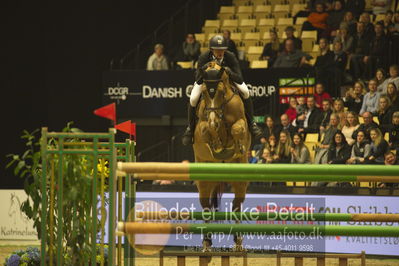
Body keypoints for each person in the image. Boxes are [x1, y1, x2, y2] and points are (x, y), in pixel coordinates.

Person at [182, 35, 263, 145]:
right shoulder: (204, 57)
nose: (220, 53)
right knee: (193, 99)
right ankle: (190, 129)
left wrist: (228, 71)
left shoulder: (230, 56)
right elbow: (198, 77)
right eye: (217, 50)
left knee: (245, 92)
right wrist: (206, 67)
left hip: (226, 82)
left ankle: (252, 124)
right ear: (211, 50)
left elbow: (239, 77)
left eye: (222, 50)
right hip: (207, 82)